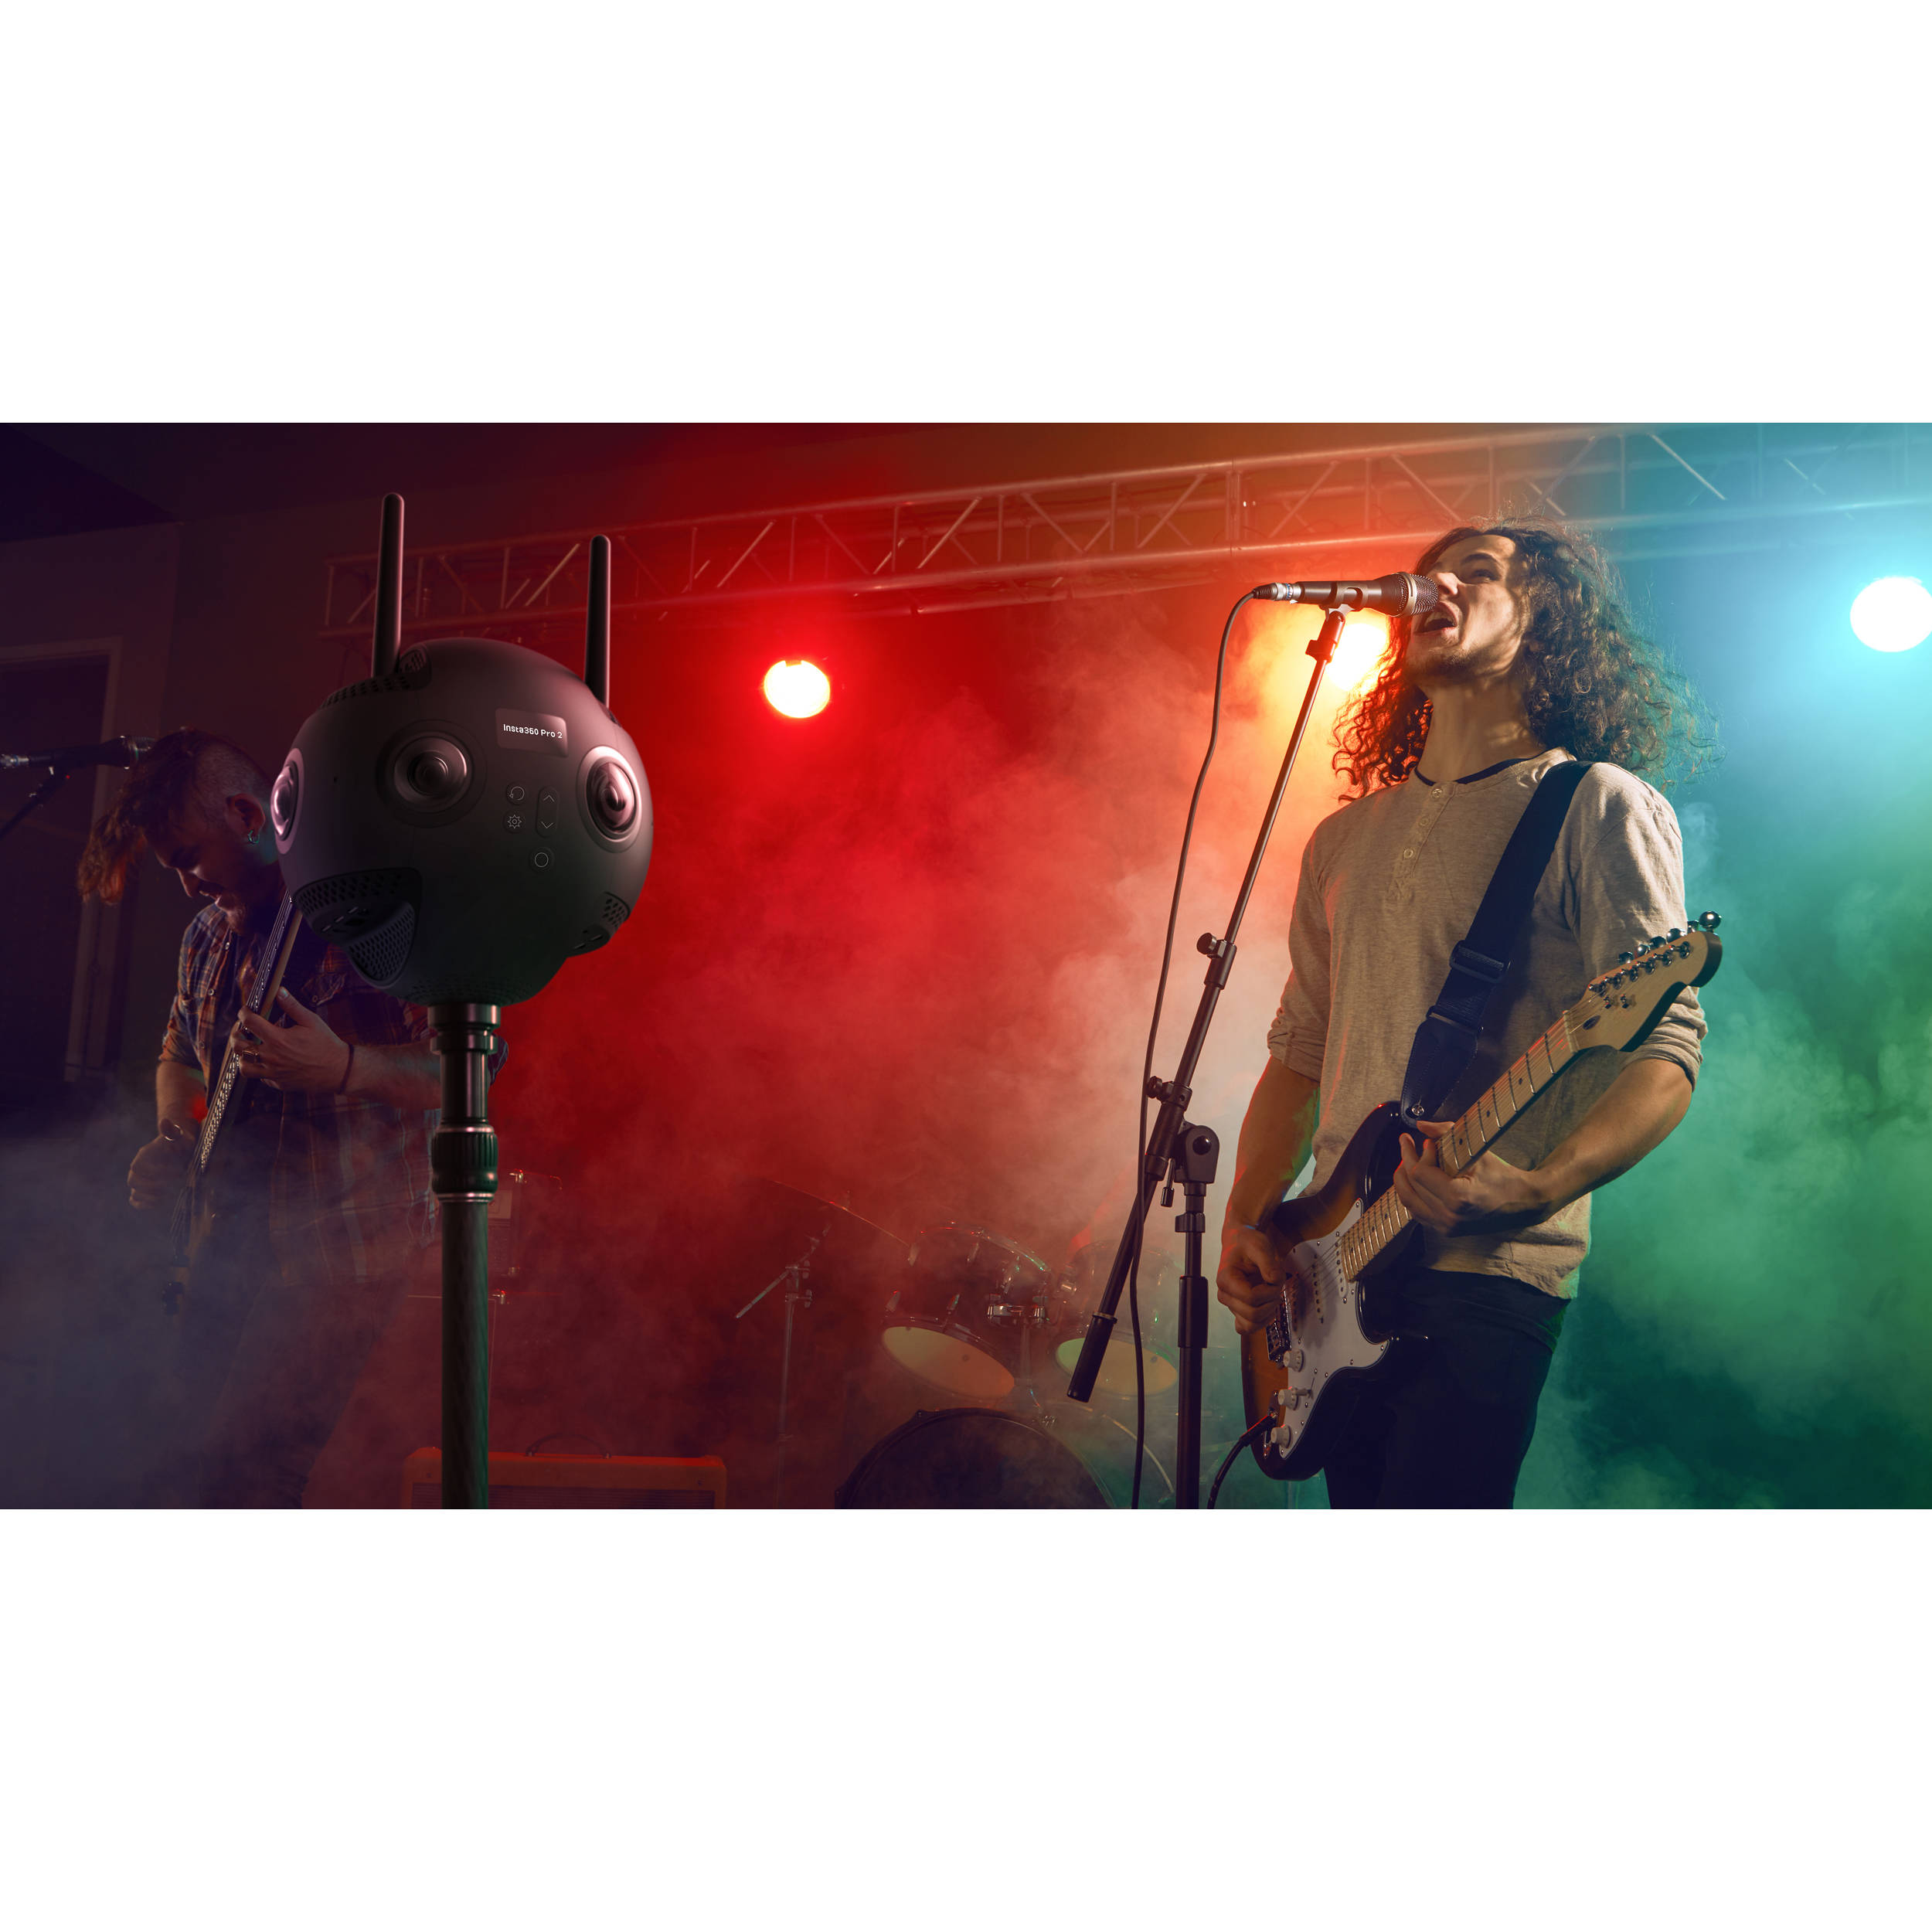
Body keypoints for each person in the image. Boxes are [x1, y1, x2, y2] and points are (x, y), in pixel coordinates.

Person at [1215, 522, 1713, 1508]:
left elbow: (1666, 1045)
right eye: (1429, 571)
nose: (1433, 584)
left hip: (1488, 1271)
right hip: (1329, 1277)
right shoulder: (1342, 837)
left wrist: (1538, 1186)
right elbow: (1300, 1052)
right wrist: (1246, 1218)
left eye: (1475, 572)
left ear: (1544, 619)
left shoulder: (1598, 805)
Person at [80, 729, 448, 1506]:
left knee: (251, 1474)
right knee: (174, 1456)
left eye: (190, 859)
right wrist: (176, 1131)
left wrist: (344, 1066)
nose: (188, 886)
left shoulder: (371, 917)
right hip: (229, 1239)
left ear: (248, 814)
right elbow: (179, 1053)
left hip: (342, 1252)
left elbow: (469, 1073)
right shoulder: (206, 935)